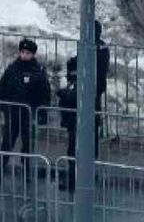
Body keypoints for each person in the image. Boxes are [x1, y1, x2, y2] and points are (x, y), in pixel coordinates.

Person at [0, 38, 50, 163]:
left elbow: (45, 92)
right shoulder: (12, 68)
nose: (25, 55)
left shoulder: (38, 71)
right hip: (13, 112)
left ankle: (27, 171)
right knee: (7, 143)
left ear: (32, 54)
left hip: (29, 113)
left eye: (28, 53)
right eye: (23, 52)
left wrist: (43, 112)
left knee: (28, 144)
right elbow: (2, 88)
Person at [56, 63, 79, 191]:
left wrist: (62, 91)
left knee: (74, 153)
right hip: (72, 122)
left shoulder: (79, 83)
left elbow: (72, 97)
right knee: (72, 152)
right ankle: (71, 180)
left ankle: (72, 182)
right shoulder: (73, 83)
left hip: (78, 122)